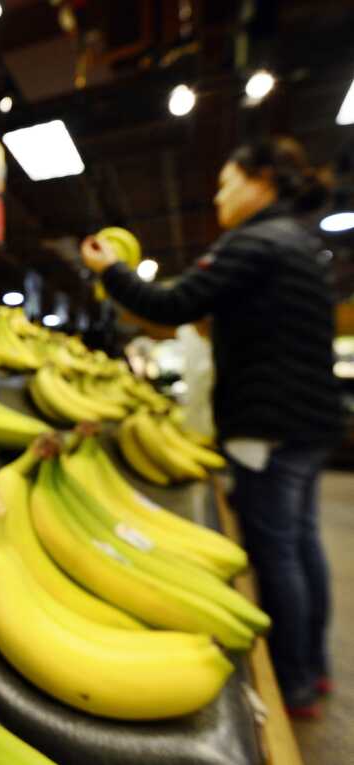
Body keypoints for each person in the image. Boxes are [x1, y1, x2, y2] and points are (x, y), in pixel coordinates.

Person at [81, 136, 342, 718]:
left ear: (262, 181)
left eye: (227, 184)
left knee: (275, 549)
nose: (219, 197)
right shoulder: (298, 242)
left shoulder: (253, 244)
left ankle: (293, 681)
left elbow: (172, 303)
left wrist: (110, 269)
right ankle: (313, 670)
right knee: (302, 542)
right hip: (310, 420)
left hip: (266, 423)